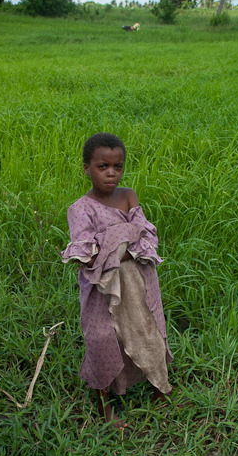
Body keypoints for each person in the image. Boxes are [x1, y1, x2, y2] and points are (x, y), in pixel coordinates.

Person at [61, 133, 173, 429]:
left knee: (147, 332)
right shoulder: (80, 209)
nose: (111, 173)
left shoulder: (129, 196)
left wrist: (112, 244)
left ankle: (159, 387)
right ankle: (104, 405)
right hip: (103, 289)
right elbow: (86, 254)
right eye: (102, 166)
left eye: (117, 166)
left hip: (139, 282)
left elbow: (147, 236)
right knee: (102, 339)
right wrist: (124, 241)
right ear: (86, 168)